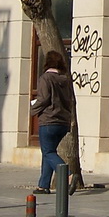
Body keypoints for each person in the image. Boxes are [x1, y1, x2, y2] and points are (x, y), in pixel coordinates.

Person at [30, 48, 76, 191]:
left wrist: (32, 109)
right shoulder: (65, 80)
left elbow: (43, 99)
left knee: (49, 152)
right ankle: (43, 186)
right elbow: (70, 101)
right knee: (48, 152)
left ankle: (68, 175)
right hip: (63, 122)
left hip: (49, 121)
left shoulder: (46, 78)